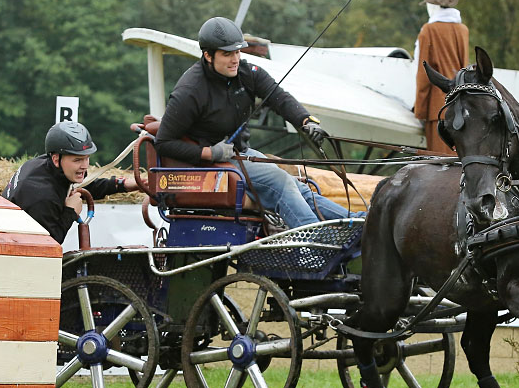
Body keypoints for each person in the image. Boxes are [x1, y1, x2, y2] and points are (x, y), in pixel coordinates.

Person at [153, 16, 363, 229]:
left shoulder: (246, 73)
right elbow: (163, 143)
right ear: (208, 55)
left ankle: (358, 222)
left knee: (298, 187)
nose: (235, 59)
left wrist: (306, 121)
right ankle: (314, 240)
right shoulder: (189, 92)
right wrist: (209, 153)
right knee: (279, 183)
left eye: (237, 51)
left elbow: (280, 98)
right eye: (227, 54)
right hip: (210, 164)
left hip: (240, 154)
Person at [3, 121, 139, 243]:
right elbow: (50, 244)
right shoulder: (41, 195)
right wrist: (70, 212)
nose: (85, 165)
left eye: (87, 158)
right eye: (77, 160)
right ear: (56, 159)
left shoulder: (46, 165)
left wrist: (123, 185)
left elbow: (84, 185)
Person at [414, 0, 469, 155]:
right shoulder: (462, 30)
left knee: (439, 164)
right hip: (459, 106)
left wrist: (420, 111)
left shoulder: (428, 30)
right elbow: (464, 68)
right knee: (456, 161)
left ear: (434, 5)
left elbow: (424, 75)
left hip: (436, 108)